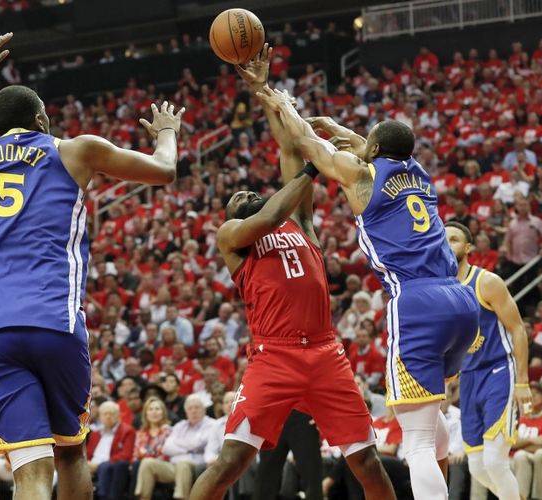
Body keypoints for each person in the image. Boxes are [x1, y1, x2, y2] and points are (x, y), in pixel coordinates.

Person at [0, 33, 184, 499]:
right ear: (42, 119)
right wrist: (166, 131)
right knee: (71, 451)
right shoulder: (74, 149)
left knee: (30, 473)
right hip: (52, 322)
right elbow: (164, 170)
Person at [190, 46, 395, 500]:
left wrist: (262, 90)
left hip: (326, 353)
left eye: (252, 190)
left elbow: (287, 144)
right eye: (239, 195)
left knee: (367, 463)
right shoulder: (235, 236)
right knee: (231, 462)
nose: (247, 192)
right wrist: (312, 167)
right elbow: (267, 213)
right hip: (274, 356)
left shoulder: (299, 223)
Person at [265, 88, 480, 500]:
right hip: (460, 300)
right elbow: (373, 148)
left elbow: (306, 143)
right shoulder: (419, 173)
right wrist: (342, 132)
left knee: (413, 443)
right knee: (433, 431)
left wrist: (285, 106)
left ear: (374, 148)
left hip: (417, 303)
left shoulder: (362, 176)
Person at [445, 221, 532, 500]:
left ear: (468, 247)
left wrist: (523, 382)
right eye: (442, 239)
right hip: (469, 377)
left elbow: (518, 329)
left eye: (454, 239)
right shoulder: (442, 290)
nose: (447, 244)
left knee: (495, 461)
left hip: (498, 371)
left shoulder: (487, 282)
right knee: (478, 467)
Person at [86, 401, 135, 500]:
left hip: (111, 465)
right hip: (91, 465)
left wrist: (98, 466)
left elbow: (126, 454)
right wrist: (86, 464)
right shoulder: (95, 434)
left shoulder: (127, 431)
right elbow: (87, 453)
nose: (108, 416)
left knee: (105, 467)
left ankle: (102, 496)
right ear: (100, 417)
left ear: (118, 416)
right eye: (105, 414)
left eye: (111, 413)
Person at [511, 381, 542, 499]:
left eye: (536, 393)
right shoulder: (519, 419)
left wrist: (520, 444)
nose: (532, 397)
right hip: (512, 459)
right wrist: (533, 440)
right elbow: (511, 443)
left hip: (535, 460)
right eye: (529, 393)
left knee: (522, 455)